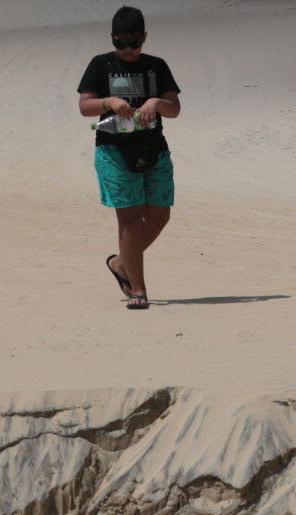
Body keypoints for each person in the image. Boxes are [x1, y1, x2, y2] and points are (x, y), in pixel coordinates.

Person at [76, 6, 179, 310]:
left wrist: (156, 102)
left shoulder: (156, 66)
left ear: (144, 37)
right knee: (130, 218)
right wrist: (108, 101)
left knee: (160, 215)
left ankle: (121, 263)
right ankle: (138, 289)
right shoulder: (100, 65)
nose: (128, 49)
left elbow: (174, 109)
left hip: (153, 149)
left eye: (134, 42)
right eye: (121, 43)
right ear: (112, 39)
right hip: (114, 151)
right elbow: (85, 106)